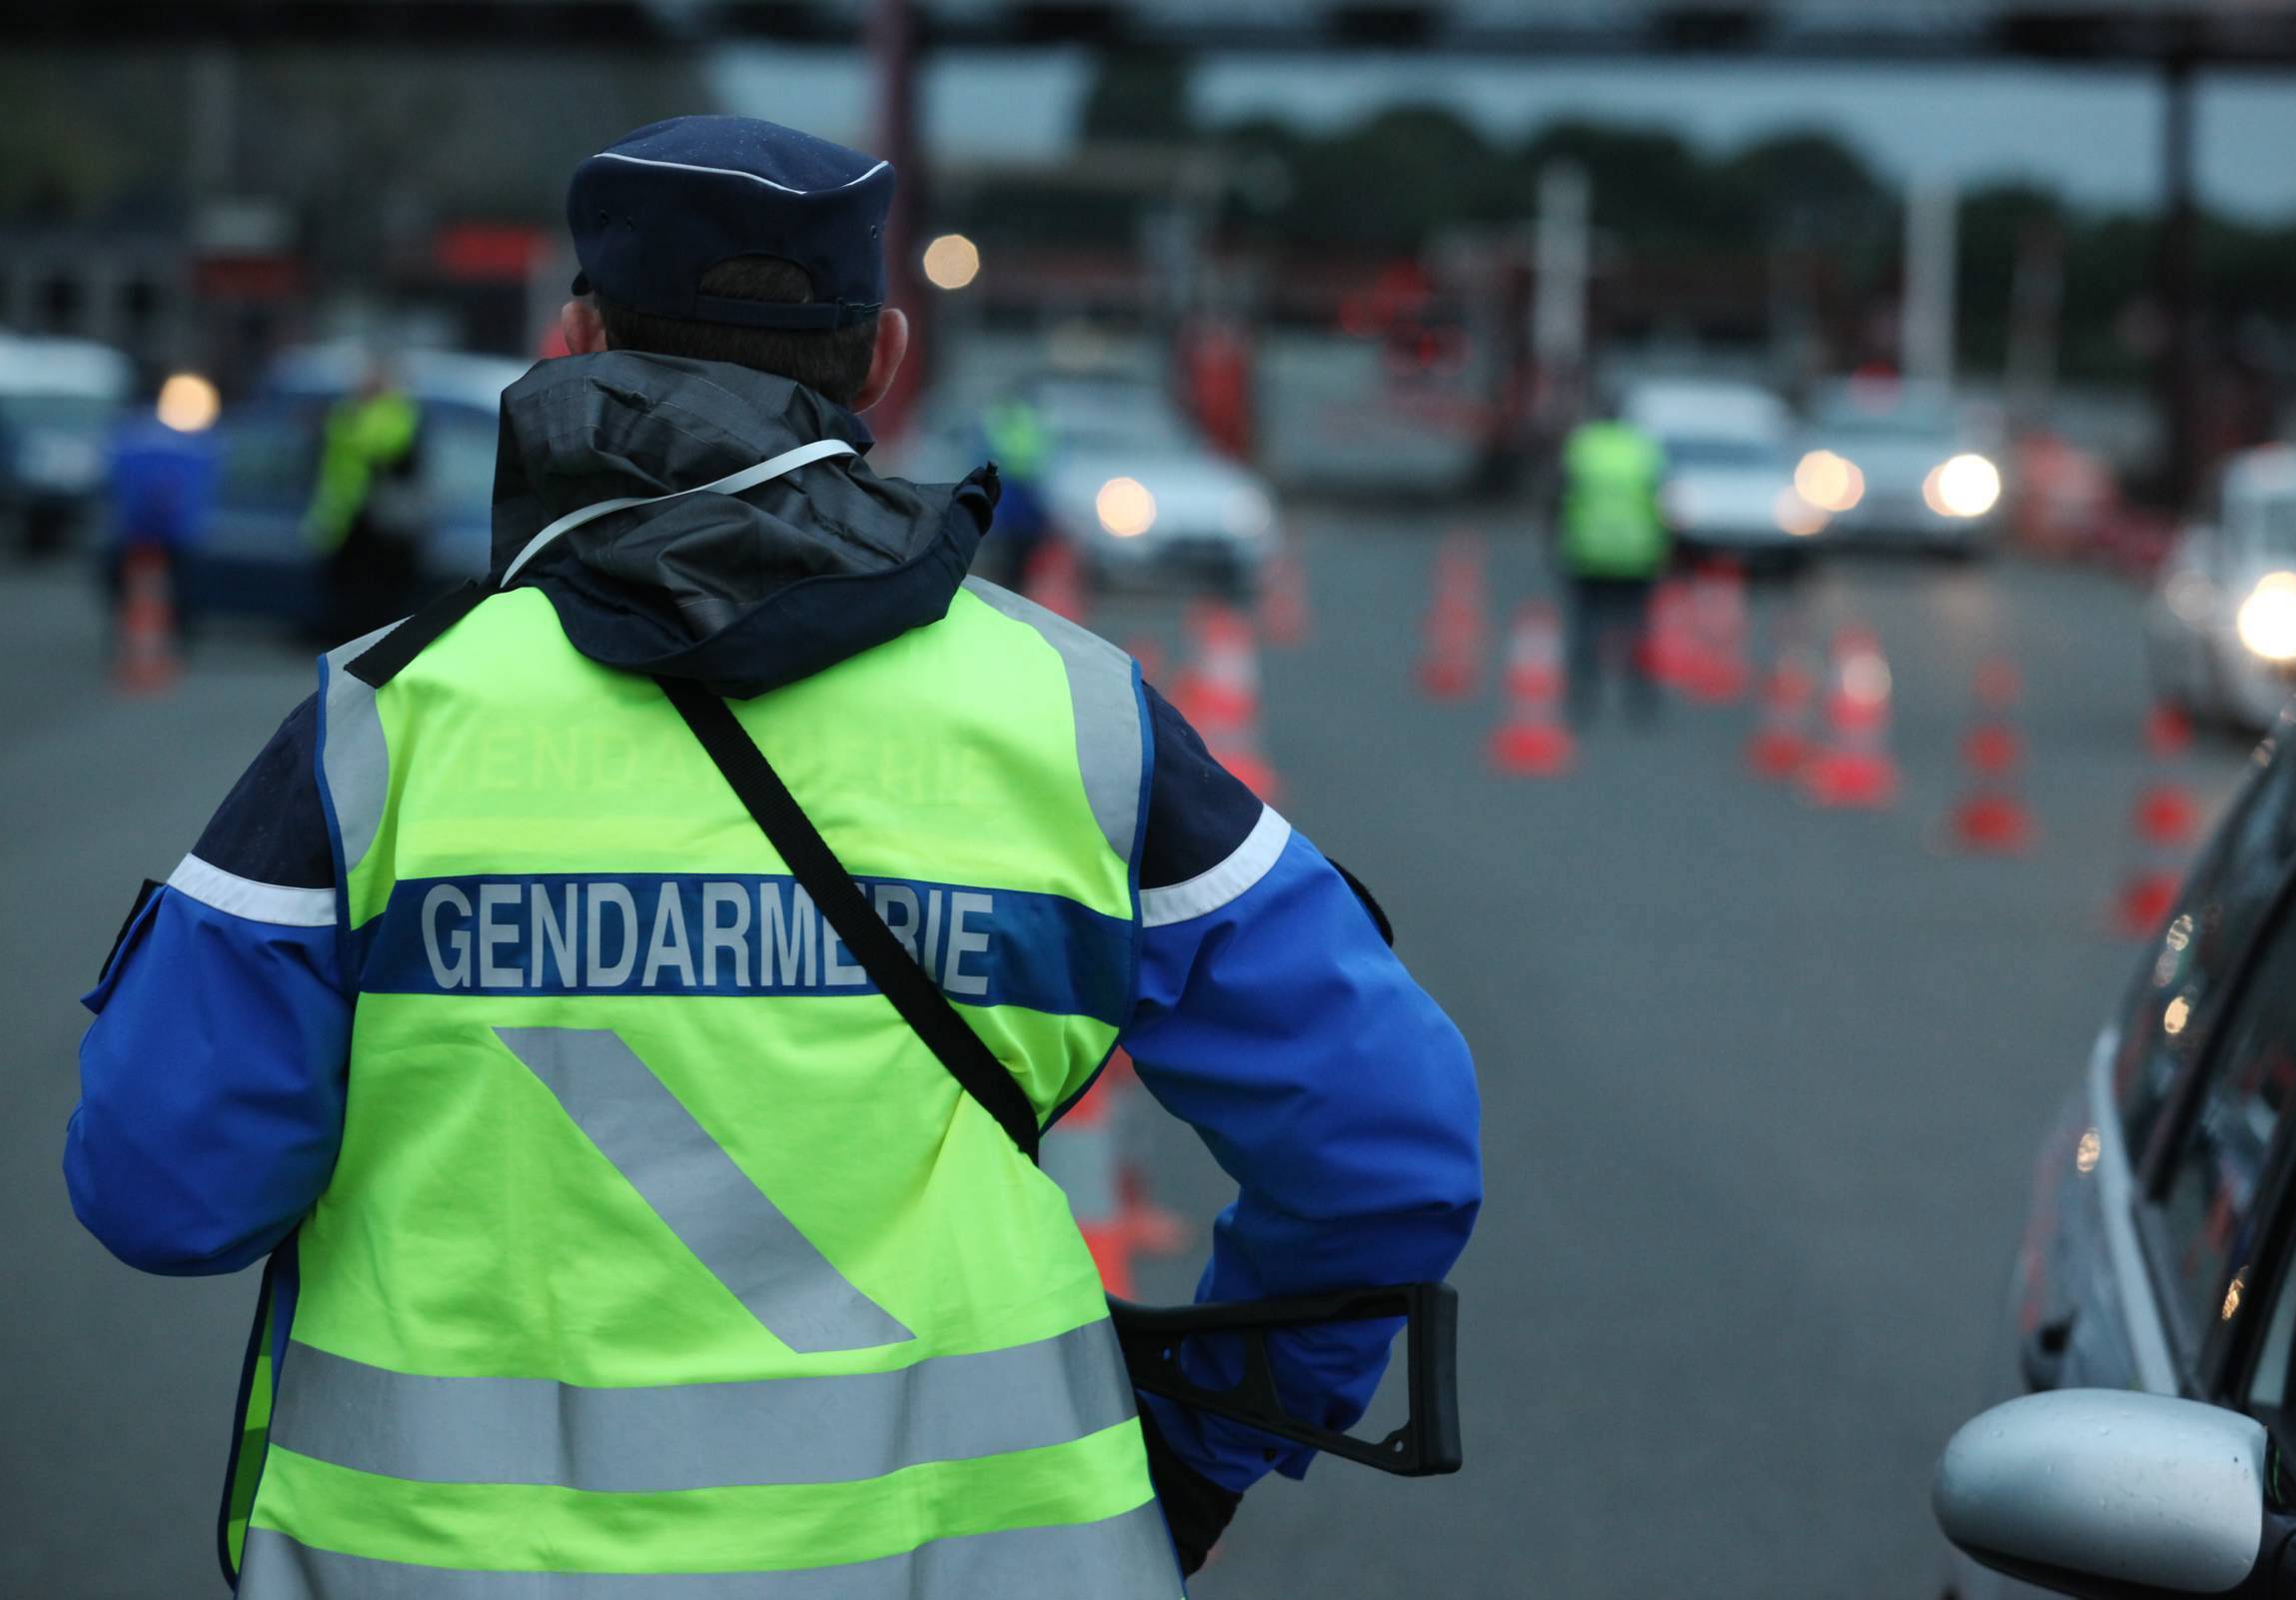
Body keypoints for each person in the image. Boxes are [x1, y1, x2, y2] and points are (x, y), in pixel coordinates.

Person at [65, 116, 1480, 1598]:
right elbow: (1384, 1145)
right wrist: (1201, 1448)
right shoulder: (1079, 721)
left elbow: (166, 1188)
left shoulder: (382, 728)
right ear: (879, 357)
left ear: (572, 337)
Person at [1553, 388, 1671, 723]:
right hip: (1637, 551)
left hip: (1587, 549)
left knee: (1587, 622)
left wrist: (1556, 542)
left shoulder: (1583, 447)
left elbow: (1560, 498)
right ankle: (1640, 701)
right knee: (1636, 624)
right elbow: (1662, 501)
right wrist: (1665, 547)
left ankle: (1582, 697)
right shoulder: (1643, 450)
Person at [304, 360, 423, 643]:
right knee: (350, 593)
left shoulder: (390, 415)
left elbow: (398, 457)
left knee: (376, 595)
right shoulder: (347, 414)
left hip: (378, 520)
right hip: (347, 516)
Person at [102, 374, 221, 645]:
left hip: (138, 527)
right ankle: (173, 634)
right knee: (181, 585)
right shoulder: (198, 440)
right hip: (166, 529)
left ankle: (138, 633)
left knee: (128, 582)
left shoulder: (132, 434)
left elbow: (112, 476)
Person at [975, 381, 1055, 592]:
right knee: (1019, 541)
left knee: (1010, 539)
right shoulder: (1032, 417)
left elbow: (986, 448)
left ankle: (1010, 580)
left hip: (1013, 483)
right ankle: (1016, 580)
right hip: (1023, 483)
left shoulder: (1001, 416)